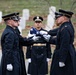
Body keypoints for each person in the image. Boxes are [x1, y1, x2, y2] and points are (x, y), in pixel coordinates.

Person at [43, 9, 76, 75]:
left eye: (58, 17)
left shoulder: (65, 28)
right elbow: (57, 34)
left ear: (64, 18)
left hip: (65, 55)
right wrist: (47, 34)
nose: (56, 19)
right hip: (65, 53)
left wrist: (62, 60)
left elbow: (64, 44)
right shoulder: (65, 26)